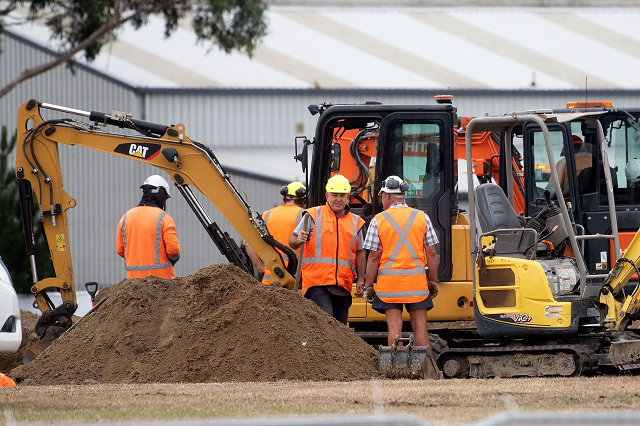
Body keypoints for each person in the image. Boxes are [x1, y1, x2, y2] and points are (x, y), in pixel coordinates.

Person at [360, 175, 439, 359]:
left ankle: (397, 367)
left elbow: (373, 257)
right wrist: (433, 281)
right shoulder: (422, 217)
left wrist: (368, 285)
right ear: (403, 196)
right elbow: (432, 253)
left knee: (394, 327)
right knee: (420, 327)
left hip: (389, 288)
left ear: (387, 196)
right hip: (417, 285)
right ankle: (423, 368)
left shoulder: (378, 220)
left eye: (382, 197)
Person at [289, 174, 365, 325]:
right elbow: (292, 240)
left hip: (343, 284)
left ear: (348, 196)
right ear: (327, 195)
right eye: (334, 195)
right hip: (317, 282)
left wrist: (361, 279)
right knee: (327, 323)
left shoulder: (356, 222)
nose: (338, 199)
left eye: (342, 195)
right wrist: (298, 240)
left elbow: (360, 252)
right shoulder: (312, 215)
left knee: (340, 328)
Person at [117, 175, 180, 279]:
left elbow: (120, 250)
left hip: (133, 284)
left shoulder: (125, 217)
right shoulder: (163, 218)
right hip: (163, 284)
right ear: (160, 194)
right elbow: (174, 251)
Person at [244, 182, 306, 284]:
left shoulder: (266, 215)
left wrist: (261, 268)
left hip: (269, 282)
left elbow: (247, 244)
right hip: (296, 282)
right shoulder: (305, 215)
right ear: (303, 200)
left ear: (284, 197)